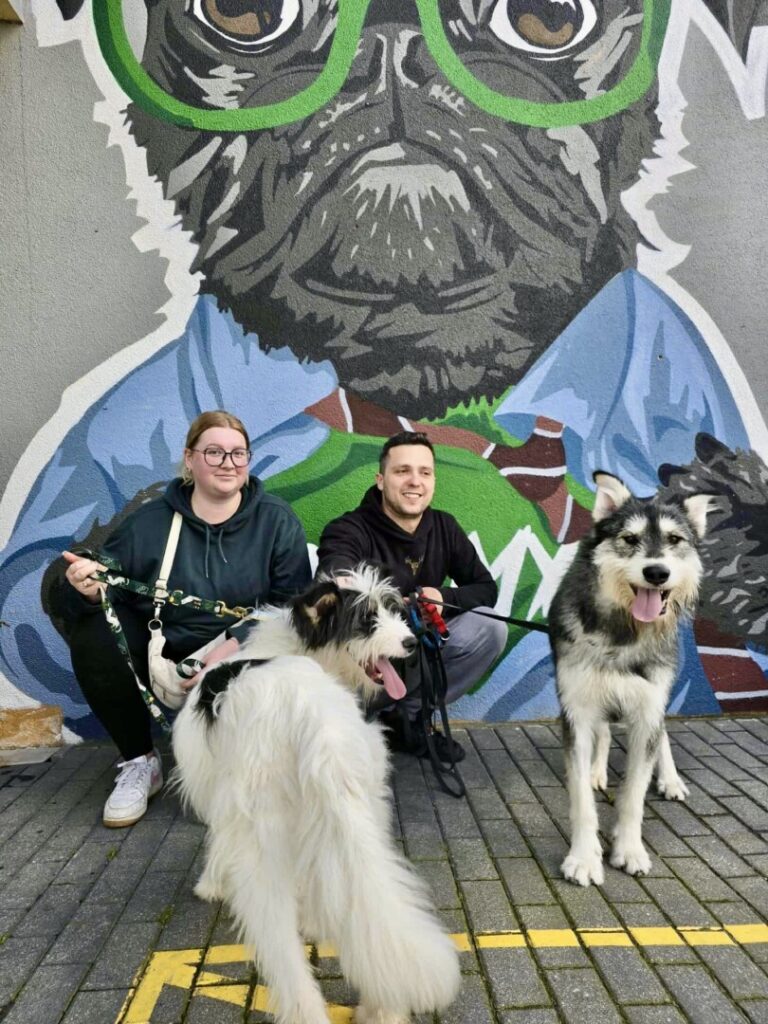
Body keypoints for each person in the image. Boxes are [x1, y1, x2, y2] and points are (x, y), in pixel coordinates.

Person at [61, 410, 311, 827]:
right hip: (166, 651)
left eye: (238, 453)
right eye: (214, 452)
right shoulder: (150, 522)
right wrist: (89, 587)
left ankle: (254, 766)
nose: (228, 463)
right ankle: (140, 761)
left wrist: (232, 649)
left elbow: (292, 606)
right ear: (189, 459)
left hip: (246, 651)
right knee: (95, 629)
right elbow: (112, 583)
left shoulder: (276, 520)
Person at [317, 431, 507, 761]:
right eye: (402, 471)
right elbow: (337, 571)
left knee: (490, 627)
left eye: (425, 472)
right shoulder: (348, 529)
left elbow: (485, 588)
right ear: (381, 480)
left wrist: (442, 596)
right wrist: (352, 584)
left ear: (433, 481)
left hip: (415, 648)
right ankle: (354, 722)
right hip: (364, 661)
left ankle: (408, 719)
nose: (414, 481)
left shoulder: (445, 527)